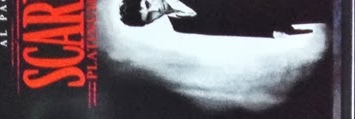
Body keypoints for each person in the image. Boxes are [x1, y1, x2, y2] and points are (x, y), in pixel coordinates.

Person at [116, 0, 331, 39]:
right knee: (327, 13)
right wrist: (272, 33)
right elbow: (230, 28)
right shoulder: (181, 26)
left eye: (147, 3)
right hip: (271, 17)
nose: (155, 9)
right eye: (149, 16)